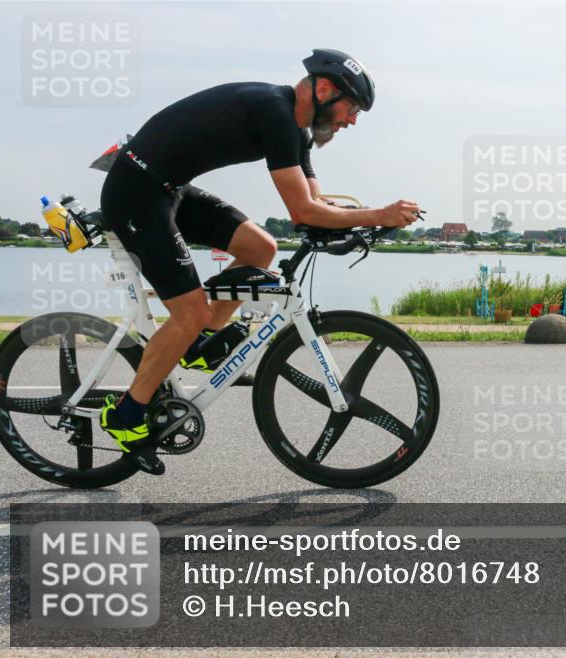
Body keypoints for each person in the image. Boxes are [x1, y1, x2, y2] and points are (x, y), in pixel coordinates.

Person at [98, 49, 420, 475]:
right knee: (187, 312)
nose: (351, 120)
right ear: (324, 89)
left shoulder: (297, 132)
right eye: (351, 107)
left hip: (169, 188)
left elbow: (316, 202)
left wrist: (357, 227)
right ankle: (125, 415)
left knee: (260, 248)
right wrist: (378, 213)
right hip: (135, 190)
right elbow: (302, 212)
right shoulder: (276, 114)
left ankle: (197, 345)